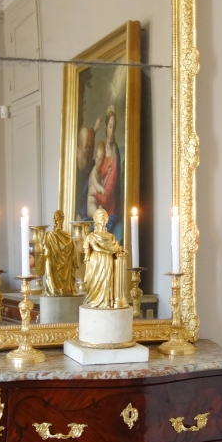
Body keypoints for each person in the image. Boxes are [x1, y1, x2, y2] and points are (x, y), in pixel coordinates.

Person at [83, 206, 121, 308]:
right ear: (96, 219)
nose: (104, 218)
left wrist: (118, 250)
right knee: (96, 282)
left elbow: (117, 247)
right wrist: (110, 250)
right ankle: (94, 300)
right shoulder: (92, 236)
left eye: (105, 216)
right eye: (101, 216)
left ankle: (106, 302)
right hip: (97, 261)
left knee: (108, 281)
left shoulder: (111, 236)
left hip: (108, 261)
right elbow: (96, 248)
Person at [93, 105, 121, 239]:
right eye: (110, 127)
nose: (112, 132)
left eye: (114, 128)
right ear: (105, 128)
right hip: (97, 208)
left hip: (108, 212)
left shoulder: (115, 157)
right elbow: (92, 175)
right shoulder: (100, 150)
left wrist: (94, 191)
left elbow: (107, 195)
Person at [43, 210, 77, 296]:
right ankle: (54, 288)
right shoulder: (50, 235)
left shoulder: (65, 236)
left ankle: (57, 289)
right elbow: (46, 253)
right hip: (52, 264)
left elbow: (46, 253)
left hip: (54, 264)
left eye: (61, 218)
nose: (60, 220)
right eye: (59, 218)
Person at [86, 141, 106, 218]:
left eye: (100, 159)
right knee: (95, 211)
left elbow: (102, 183)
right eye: (96, 157)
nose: (97, 161)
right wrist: (102, 189)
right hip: (90, 204)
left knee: (101, 210)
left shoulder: (100, 173)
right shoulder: (93, 171)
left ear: (103, 162)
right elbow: (97, 185)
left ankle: (100, 229)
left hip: (97, 202)